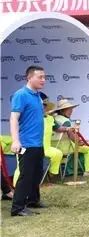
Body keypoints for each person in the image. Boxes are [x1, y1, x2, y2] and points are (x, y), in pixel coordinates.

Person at [9, 65, 47, 217]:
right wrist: (15, 141)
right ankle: (17, 208)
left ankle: (33, 200)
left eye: (44, 77)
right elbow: (14, 118)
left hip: (38, 143)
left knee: (37, 173)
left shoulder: (37, 95)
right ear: (29, 77)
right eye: (40, 77)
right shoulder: (21, 95)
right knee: (26, 175)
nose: (43, 80)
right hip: (26, 143)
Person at [51, 99, 89, 176]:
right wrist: (85, 143)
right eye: (69, 109)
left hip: (54, 147)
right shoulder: (66, 121)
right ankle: (88, 171)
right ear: (62, 110)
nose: (71, 111)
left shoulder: (52, 119)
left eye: (71, 109)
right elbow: (72, 138)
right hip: (66, 148)